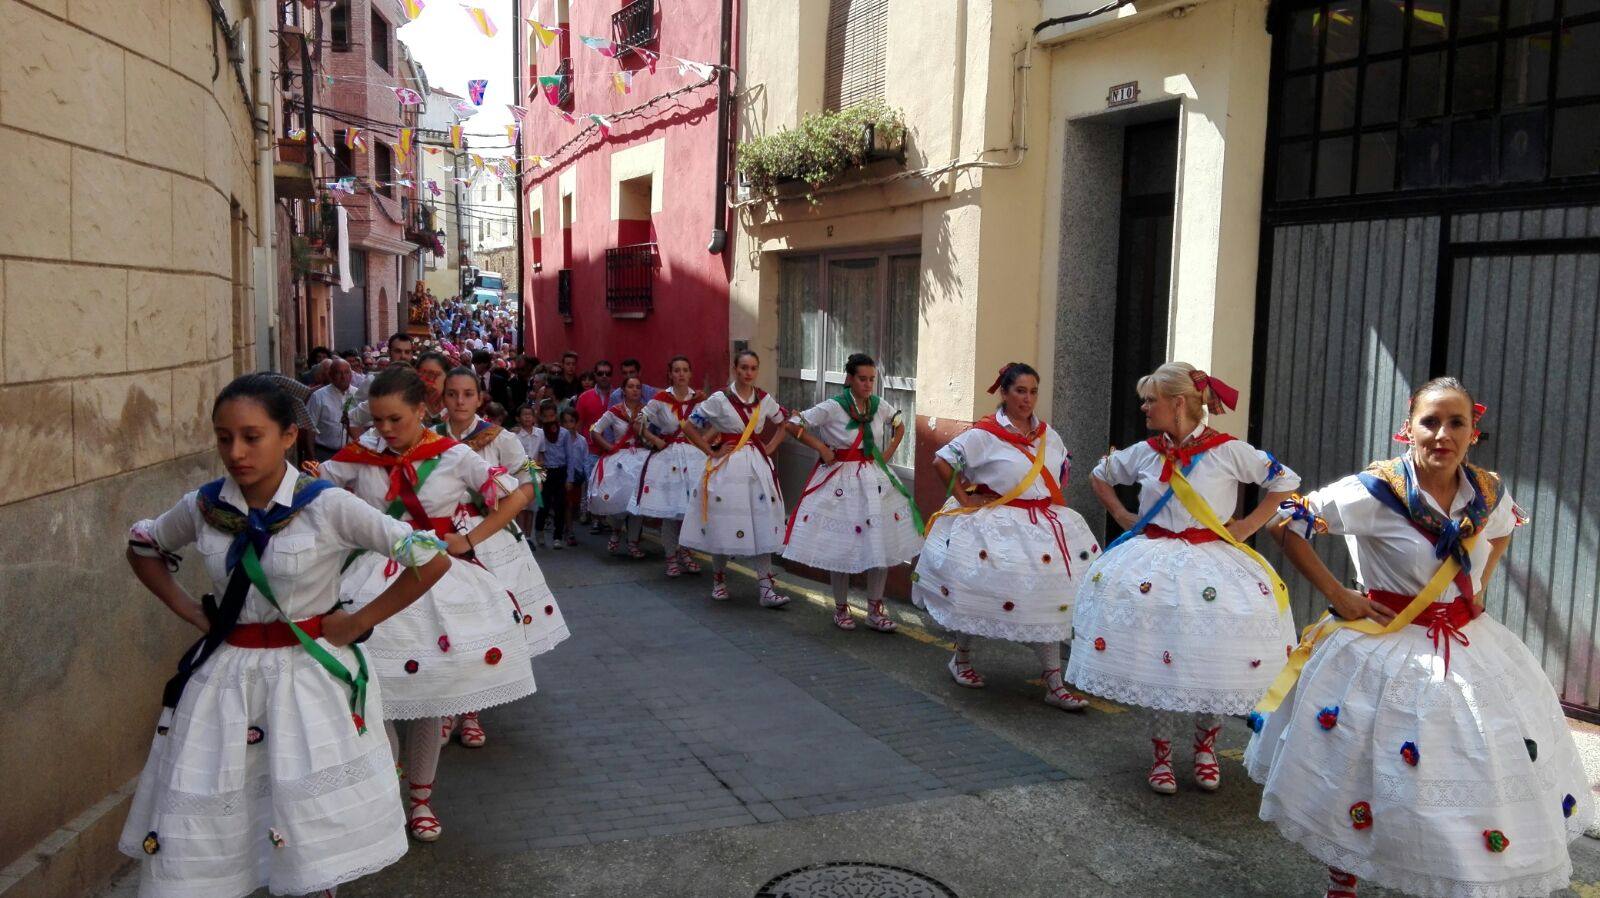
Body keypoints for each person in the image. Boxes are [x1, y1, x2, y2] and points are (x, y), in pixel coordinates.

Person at [1245, 378, 1592, 898]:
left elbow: (1501, 530)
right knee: (1363, 762)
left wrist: (1479, 586)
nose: (1442, 434)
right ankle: (1344, 878)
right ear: (1407, 429)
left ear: (1474, 433)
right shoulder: (1372, 490)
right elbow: (1284, 524)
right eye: (1430, 422)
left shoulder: (1488, 491)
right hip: (1387, 643)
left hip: (1470, 643)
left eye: (1456, 423)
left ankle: (1440, 871)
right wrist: (1340, 594)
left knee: (1465, 766)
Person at [120, 374, 450, 898]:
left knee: (305, 817)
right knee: (223, 804)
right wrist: (191, 612)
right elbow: (143, 546)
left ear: (289, 437)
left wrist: (360, 620)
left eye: (252, 437)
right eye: (224, 437)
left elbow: (428, 558)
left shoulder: (325, 505)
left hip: (307, 677)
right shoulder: (205, 506)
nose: (236, 452)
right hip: (225, 681)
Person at [316, 366, 538, 843]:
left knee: (429, 701)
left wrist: (469, 538)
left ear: (422, 410)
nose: (385, 430)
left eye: (395, 419)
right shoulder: (361, 456)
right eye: (377, 421)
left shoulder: (456, 456)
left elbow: (519, 493)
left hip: (437, 578)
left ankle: (420, 801)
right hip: (372, 580)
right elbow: (313, 491)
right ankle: (390, 800)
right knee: (378, 697)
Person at [1066, 362, 1298, 793]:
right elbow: (1101, 474)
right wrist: (1120, 513)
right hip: (1155, 563)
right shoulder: (1145, 451)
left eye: (1151, 400)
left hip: (1214, 562)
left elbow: (1285, 481)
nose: (1144, 407)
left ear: (1177, 403)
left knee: (1214, 656)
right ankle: (1162, 755)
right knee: (1159, 659)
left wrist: (1247, 526)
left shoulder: (1230, 451)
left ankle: (1206, 748)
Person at [913, 362, 1098, 710]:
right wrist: (967, 500)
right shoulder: (986, 434)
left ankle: (1053, 681)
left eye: (1033, 392)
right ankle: (962, 658)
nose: (1027, 399)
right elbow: (942, 460)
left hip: (1043, 525)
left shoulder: (1047, 434)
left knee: (1050, 596)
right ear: (1004, 392)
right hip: (997, 526)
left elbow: (1060, 472)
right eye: (1020, 391)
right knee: (978, 592)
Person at [436, 369, 569, 748]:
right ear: (442, 398)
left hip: (488, 539)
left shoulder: (501, 439)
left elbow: (530, 480)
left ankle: (473, 710)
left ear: (480, 399)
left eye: (467, 394)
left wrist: (509, 493)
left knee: (483, 624)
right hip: (440, 537)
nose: (459, 401)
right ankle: (446, 706)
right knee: (444, 623)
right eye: (452, 394)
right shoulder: (429, 435)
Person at [785, 353, 923, 632]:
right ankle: (840, 608)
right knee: (842, 546)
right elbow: (793, 424)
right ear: (849, 379)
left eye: (872, 379)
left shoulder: (877, 404)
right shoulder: (833, 407)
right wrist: (822, 448)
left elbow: (899, 425)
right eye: (862, 379)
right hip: (842, 481)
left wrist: (887, 453)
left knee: (880, 545)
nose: (868, 384)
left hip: (874, 479)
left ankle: (874, 609)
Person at [670, 350, 792, 607]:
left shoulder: (764, 399)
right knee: (723, 522)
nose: (748, 373)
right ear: (735, 369)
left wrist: (770, 448)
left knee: (762, 521)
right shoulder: (719, 399)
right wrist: (709, 449)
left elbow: (785, 423)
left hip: (757, 466)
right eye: (744, 367)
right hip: (727, 466)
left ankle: (766, 588)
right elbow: (688, 425)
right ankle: (719, 580)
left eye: (753, 368)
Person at [631, 356, 708, 578]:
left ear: (690, 374)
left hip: (693, 458)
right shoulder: (660, 399)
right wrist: (655, 441)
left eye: (685, 370)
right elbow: (638, 422)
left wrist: (704, 445)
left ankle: (686, 552)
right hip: (669, 458)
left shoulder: (700, 400)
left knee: (689, 511)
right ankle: (671, 557)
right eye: (677, 370)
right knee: (670, 511)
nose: (681, 374)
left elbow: (715, 424)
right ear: (671, 374)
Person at [587, 375, 654, 557]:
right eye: (631, 386)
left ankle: (633, 543)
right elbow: (595, 431)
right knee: (619, 502)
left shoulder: (646, 411)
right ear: (623, 390)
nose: (635, 390)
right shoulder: (615, 412)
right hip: (620, 461)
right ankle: (616, 532)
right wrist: (609, 448)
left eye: (638, 387)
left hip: (641, 459)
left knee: (637, 504)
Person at [306, 357, 358, 461]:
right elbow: (309, 428)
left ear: (351, 375)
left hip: (352, 453)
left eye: (347, 372)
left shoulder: (358, 395)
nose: (343, 377)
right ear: (331, 375)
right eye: (339, 373)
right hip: (325, 454)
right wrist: (312, 457)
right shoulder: (318, 396)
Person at [575, 360, 614, 438]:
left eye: (608, 374)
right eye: (600, 373)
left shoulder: (618, 396)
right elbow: (578, 425)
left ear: (611, 376)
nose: (604, 376)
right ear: (595, 375)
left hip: (614, 446)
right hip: (590, 447)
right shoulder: (584, 397)